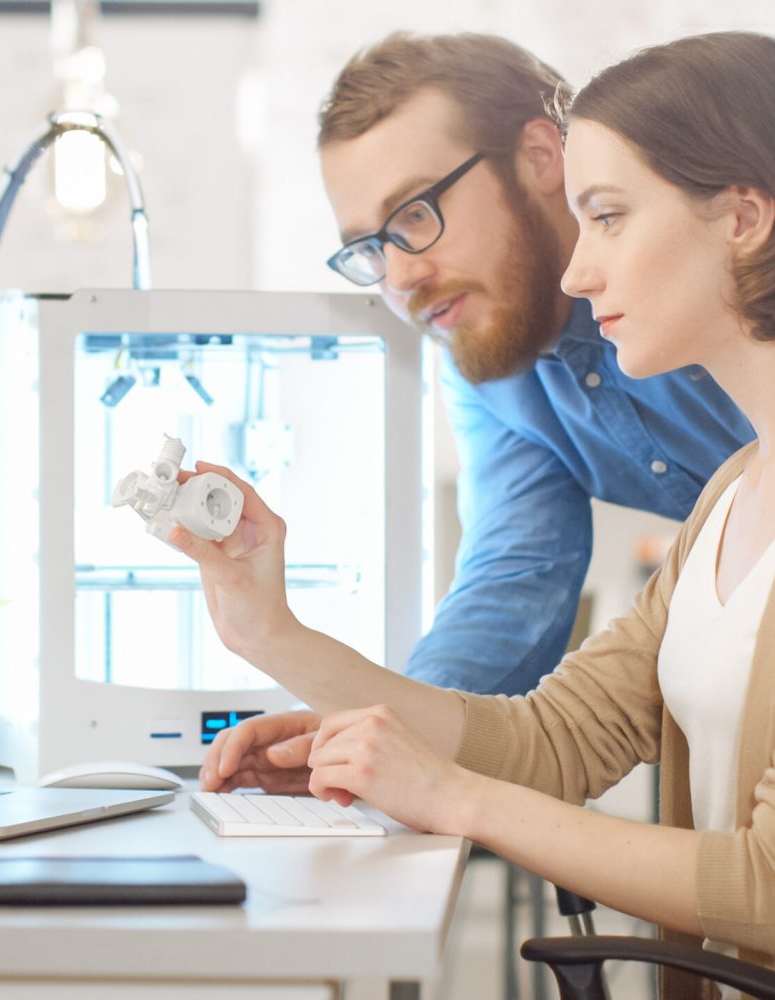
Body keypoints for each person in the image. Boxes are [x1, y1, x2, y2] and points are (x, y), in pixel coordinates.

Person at [171, 30, 775, 991]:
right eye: (370, 248)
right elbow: (543, 702)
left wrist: (443, 788)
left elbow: (765, 882)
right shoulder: (725, 499)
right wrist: (294, 661)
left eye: (609, 216)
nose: (400, 278)